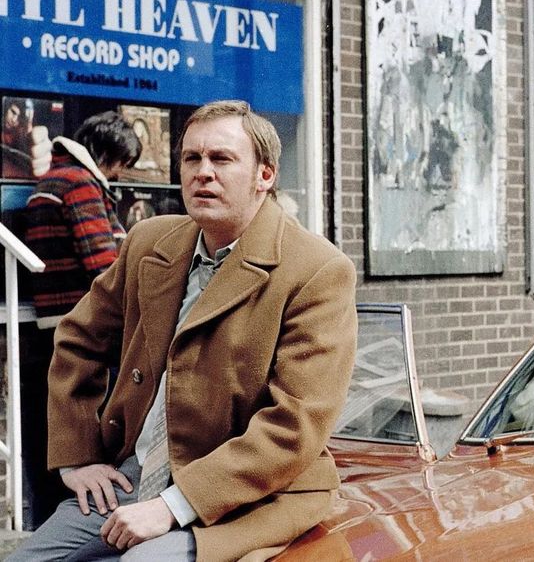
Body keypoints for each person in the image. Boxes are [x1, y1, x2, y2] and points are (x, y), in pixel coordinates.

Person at [10, 100, 358, 561]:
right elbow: (77, 339)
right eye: (191, 158)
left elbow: (292, 428)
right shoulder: (150, 242)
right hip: (135, 479)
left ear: (265, 176)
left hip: (252, 495)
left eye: (222, 159)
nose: (202, 172)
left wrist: (173, 506)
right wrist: (80, 458)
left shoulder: (316, 270)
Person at [19, 111, 141, 530]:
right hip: (83, 328)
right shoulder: (80, 184)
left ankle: (50, 529)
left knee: (48, 443)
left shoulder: (55, 181)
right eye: (122, 162)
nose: (121, 172)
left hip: (53, 327)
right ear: (108, 153)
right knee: (87, 445)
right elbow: (105, 266)